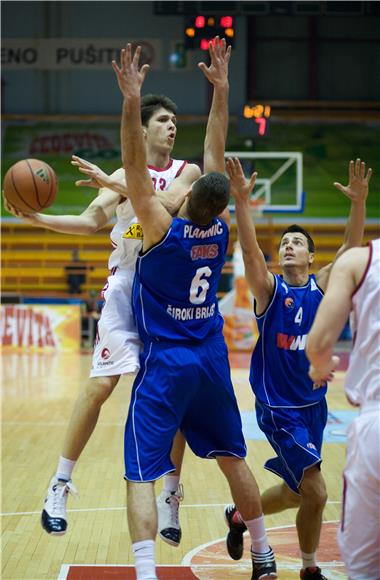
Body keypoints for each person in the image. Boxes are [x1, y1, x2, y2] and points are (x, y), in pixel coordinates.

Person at [110, 40, 277, 580]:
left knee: (139, 472)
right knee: (234, 459)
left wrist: (131, 103)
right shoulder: (221, 230)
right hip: (211, 357)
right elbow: (215, 157)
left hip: (166, 360)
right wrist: (222, 90)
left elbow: (135, 167)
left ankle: (145, 572)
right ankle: (264, 554)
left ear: (183, 200)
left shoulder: (161, 228)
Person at [4, 93, 200, 540]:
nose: (172, 127)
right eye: (164, 120)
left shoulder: (186, 171)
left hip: (169, 294)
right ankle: (59, 482)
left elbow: (165, 206)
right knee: (100, 385)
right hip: (127, 286)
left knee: (175, 397)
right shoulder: (118, 176)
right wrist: (37, 219)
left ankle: (171, 496)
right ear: (144, 129)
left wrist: (117, 184)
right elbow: (89, 220)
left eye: (175, 121)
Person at [222, 156, 371, 580]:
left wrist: (357, 203)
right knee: (318, 492)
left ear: (311, 255)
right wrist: (242, 204)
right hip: (278, 409)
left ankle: (237, 517)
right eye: (284, 242)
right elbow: (251, 250)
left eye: (296, 242)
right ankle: (309, 569)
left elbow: (351, 251)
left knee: (295, 493)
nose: (288, 245)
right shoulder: (270, 291)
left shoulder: (322, 287)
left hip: (314, 407)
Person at [306, 242, 380, 580]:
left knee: (363, 568)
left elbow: (318, 344)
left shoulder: (361, 259)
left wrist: (322, 366)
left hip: (375, 425)